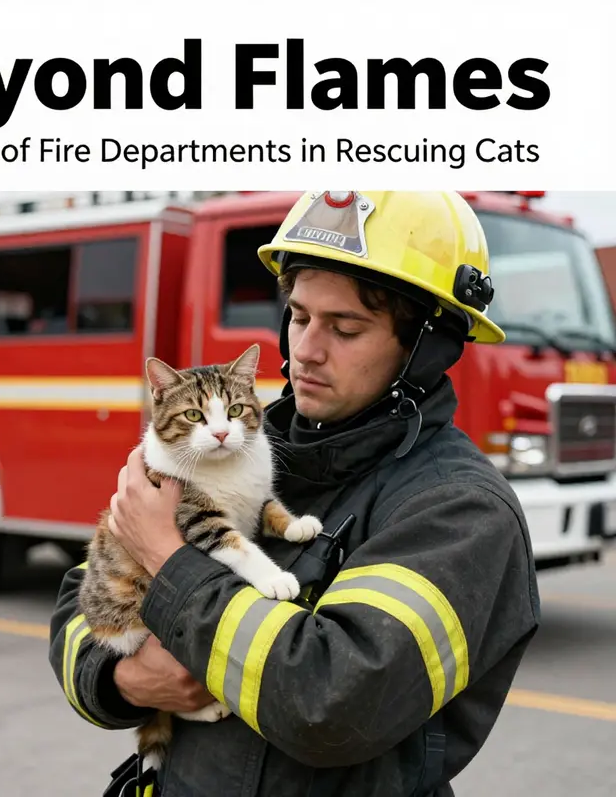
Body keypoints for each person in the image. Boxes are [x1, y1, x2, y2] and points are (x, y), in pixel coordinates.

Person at [48, 190, 540, 797]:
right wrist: (121, 681)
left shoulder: (460, 510)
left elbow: (329, 703)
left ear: (424, 350)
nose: (306, 350)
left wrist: (167, 562)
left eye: (346, 328)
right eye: (300, 317)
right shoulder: (249, 445)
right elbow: (78, 602)